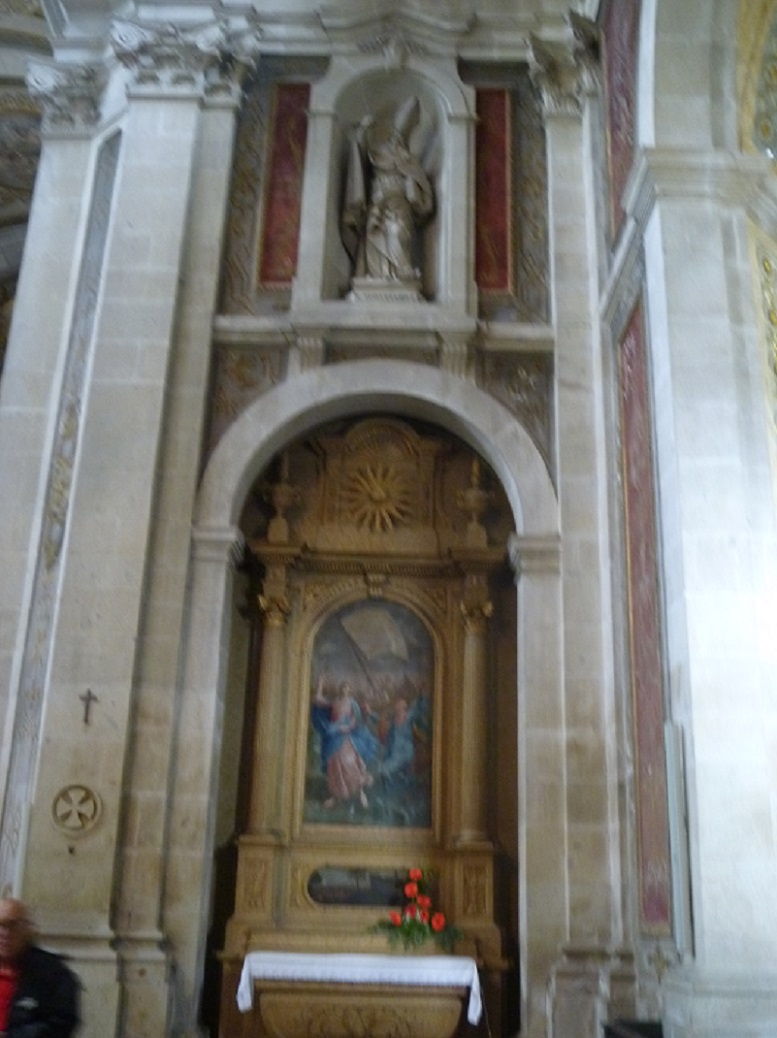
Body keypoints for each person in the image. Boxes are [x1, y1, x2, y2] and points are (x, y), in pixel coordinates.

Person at [341, 95, 434, 284]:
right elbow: (359, 157)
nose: (399, 135)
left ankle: (401, 273)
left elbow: (423, 190)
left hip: (400, 204)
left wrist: (415, 192)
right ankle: (376, 276)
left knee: (400, 234)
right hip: (378, 201)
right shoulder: (378, 151)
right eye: (399, 128)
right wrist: (363, 131)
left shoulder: (410, 161)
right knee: (374, 237)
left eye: (405, 129)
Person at [0, 898, 80, 1038]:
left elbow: (61, 1023)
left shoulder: (53, 973)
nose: (5, 934)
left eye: (12, 925)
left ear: (27, 929)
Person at [310, 677, 378, 809]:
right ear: (339, 689)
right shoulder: (335, 701)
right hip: (334, 736)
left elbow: (355, 719)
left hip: (346, 736)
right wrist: (319, 685)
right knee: (334, 765)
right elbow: (317, 701)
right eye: (342, 687)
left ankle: (360, 792)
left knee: (349, 762)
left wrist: (345, 727)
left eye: (346, 688)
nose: (344, 690)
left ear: (349, 690)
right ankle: (336, 796)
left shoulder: (352, 703)